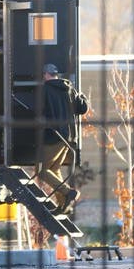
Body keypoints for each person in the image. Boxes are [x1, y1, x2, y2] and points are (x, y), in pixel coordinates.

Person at [36, 62, 89, 215]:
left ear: (45, 75)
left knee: (41, 170)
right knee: (53, 169)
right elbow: (82, 109)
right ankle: (62, 205)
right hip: (69, 137)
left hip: (53, 136)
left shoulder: (44, 90)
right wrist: (82, 97)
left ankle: (68, 193)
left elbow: (38, 112)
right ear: (56, 74)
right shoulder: (69, 88)